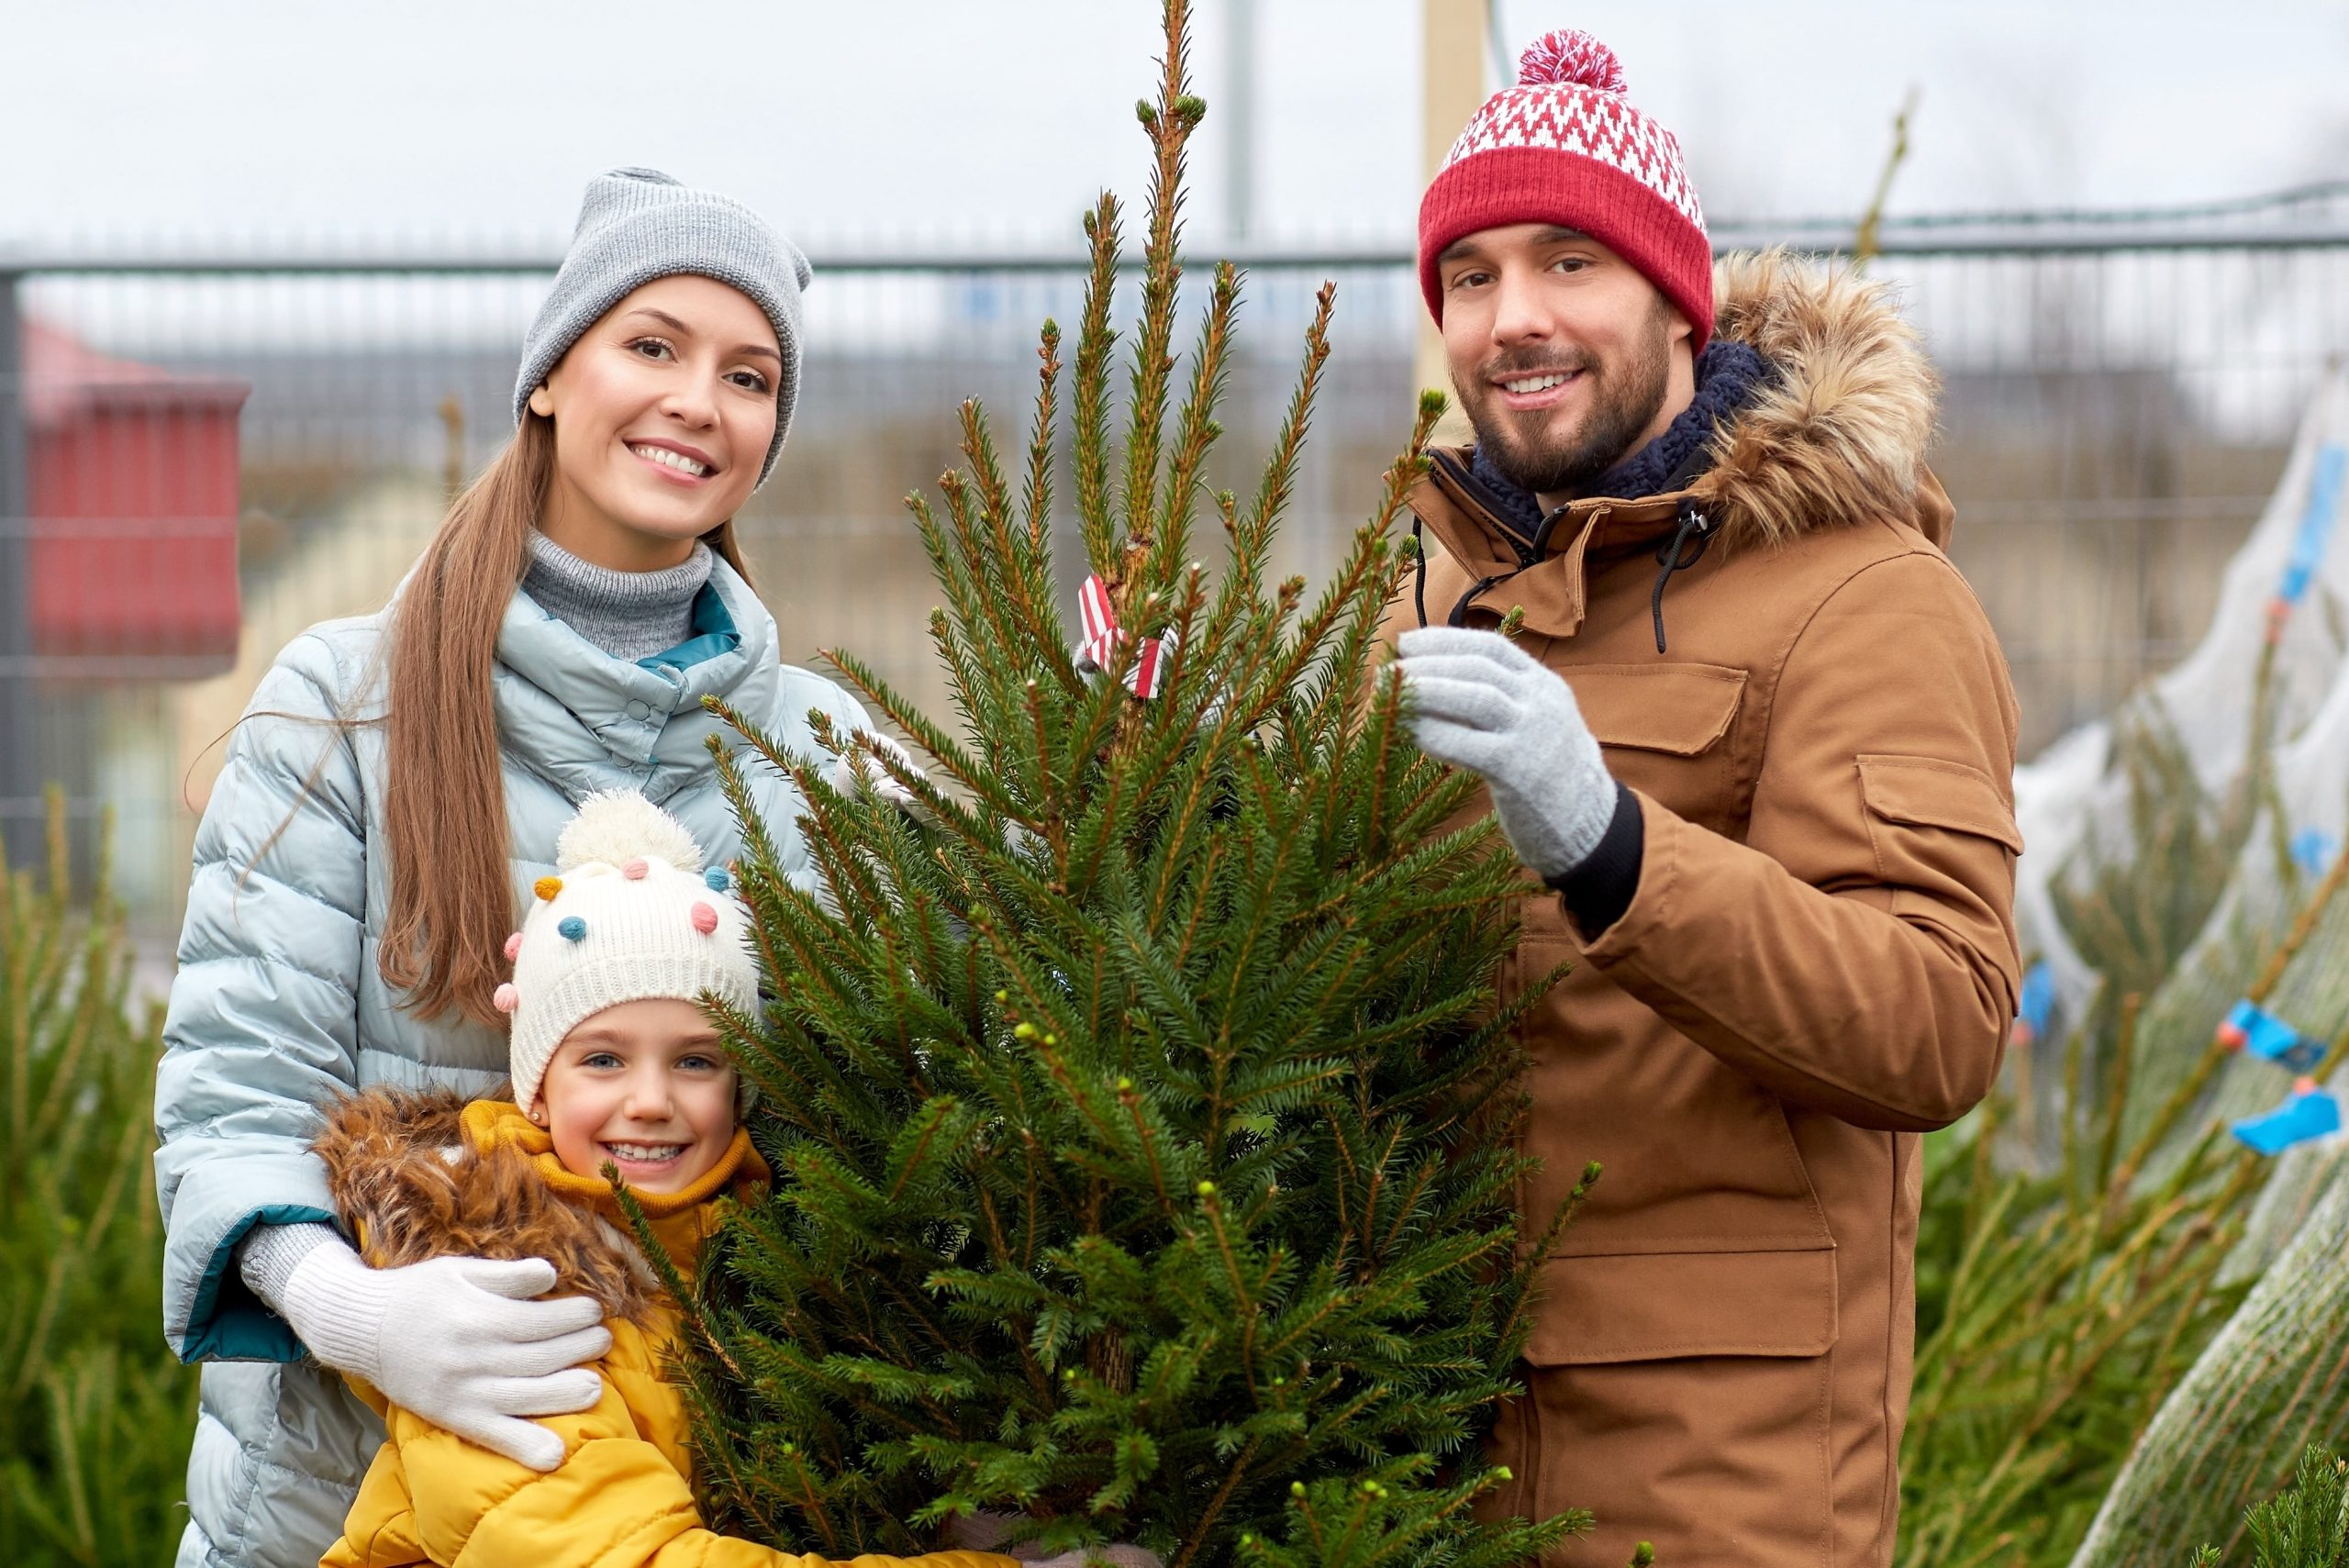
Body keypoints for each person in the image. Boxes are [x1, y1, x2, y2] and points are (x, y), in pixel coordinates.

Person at [155, 167, 909, 1568]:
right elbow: (232, 1093)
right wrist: (349, 1307)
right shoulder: (347, 704)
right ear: (553, 375)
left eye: (750, 377)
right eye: (654, 346)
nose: (699, 401)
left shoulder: (827, 752)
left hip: (713, 1518)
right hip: (336, 1512)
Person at [1386, 28, 2021, 1567]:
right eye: (1469, 277)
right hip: (1421, 1446)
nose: (1513, 318)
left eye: (1567, 264)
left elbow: (1937, 1014)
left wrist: (1611, 847)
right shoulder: (1428, 598)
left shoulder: (1869, 595)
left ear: (1677, 297)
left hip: (1717, 1481)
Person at [313, 790, 1008, 1568]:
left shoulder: (757, 1261)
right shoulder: (497, 1281)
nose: (650, 1102)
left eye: (695, 1060)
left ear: (739, 1086)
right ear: (536, 1089)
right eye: (603, 1058)